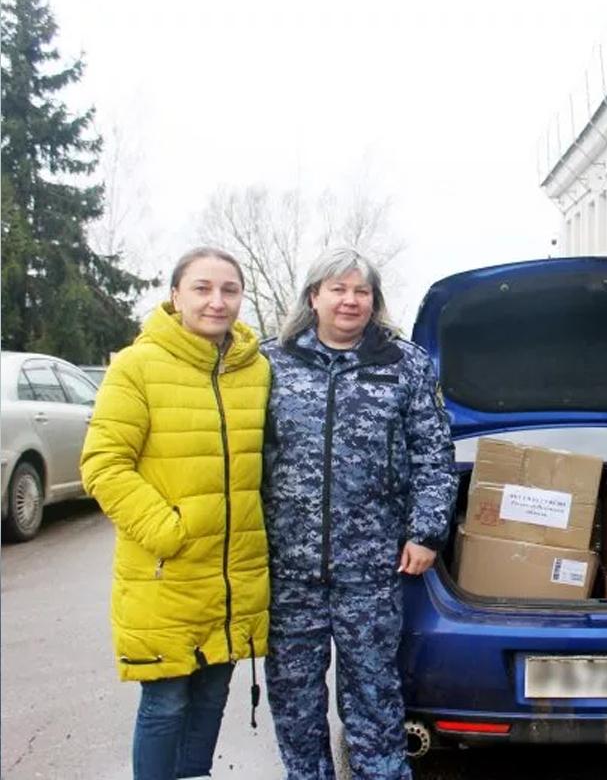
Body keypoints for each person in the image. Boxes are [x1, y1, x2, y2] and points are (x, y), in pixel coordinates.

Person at [260, 249, 456, 780]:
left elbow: (434, 456)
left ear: (374, 301)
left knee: (373, 697)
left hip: (371, 569)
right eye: (338, 289)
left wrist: (426, 532)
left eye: (361, 291)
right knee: (294, 700)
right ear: (313, 296)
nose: (350, 300)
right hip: (287, 572)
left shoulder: (405, 364)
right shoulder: (269, 363)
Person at [80, 247, 270, 780]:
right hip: (170, 570)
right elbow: (104, 464)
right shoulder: (137, 366)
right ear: (175, 296)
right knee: (165, 703)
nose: (217, 301)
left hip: (235, 572)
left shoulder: (256, 370)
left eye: (229, 290)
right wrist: (171, 531)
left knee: (212, 695)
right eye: (202, 288)